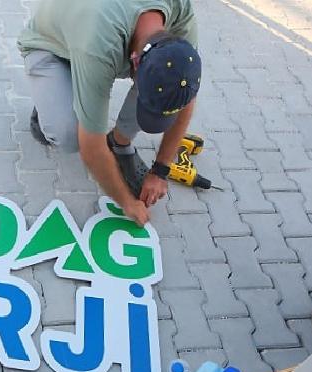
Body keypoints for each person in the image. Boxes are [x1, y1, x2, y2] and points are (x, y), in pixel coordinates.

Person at [18, 0, 201, 226]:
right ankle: (50, 102)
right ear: (134, 61)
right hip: (51, 46)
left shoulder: (180, 15)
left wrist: (161, 170)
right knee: (69, 135)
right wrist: (127, 203)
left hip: (89, 34)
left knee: (162, 82)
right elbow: (91, 148)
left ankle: (118, 143)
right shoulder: (100, 47)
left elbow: (184, 94)